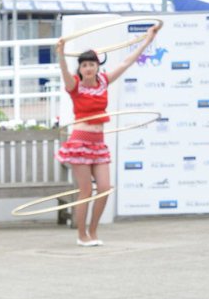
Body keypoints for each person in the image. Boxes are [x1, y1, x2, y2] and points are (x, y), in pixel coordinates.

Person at [55, 22, 161, 244]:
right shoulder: (74, 85)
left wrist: (147, 40)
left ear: (97, 66)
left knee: (104, 189)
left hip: (98, 143)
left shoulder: (104, 81)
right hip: (80, 142)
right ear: (80, 68)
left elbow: (127, 62)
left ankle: (93, 232)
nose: (88, 68)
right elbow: (64, 73)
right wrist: (61, 54)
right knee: (86, 191)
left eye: (92, 64)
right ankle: (81, 235)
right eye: (84, 65)